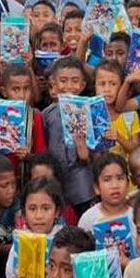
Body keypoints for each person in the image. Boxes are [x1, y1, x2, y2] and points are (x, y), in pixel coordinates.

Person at [41, 57, 97, 212]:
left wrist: (86, 156)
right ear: (54, 83)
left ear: (83, 85)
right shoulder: (47, 114)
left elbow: (98, 149)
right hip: (55, 179)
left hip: (82, 181)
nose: (69, 86)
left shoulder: (90, 111)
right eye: (63, 80)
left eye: (74, 81)